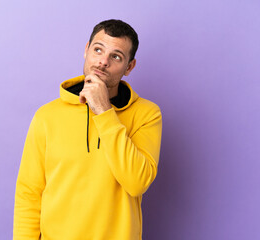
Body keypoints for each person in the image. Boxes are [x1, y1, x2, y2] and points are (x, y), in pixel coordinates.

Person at [13, 19, 162, 240]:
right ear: (86, 50)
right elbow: (29, 194)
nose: (103, 62)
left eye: (116, 56)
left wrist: (104, 111)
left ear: (129, 67)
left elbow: (137, 182)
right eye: (98, 50)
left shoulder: (147, 114)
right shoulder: (47, 116)